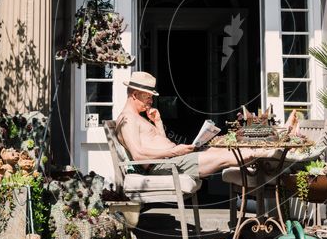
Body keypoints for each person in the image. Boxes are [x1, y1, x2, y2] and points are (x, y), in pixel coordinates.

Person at [115, 71, 301, 180]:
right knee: (225, 155)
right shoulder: (128, 119)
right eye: (148, 97)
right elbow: (139, 155)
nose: (150, 102)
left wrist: (158, 122)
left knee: (224, 147)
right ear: (134, 95)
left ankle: (277, 137)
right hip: (166, 165)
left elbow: (161, 142)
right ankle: (271, 151)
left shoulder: (139, 117)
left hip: (173, 160)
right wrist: (175, 152)